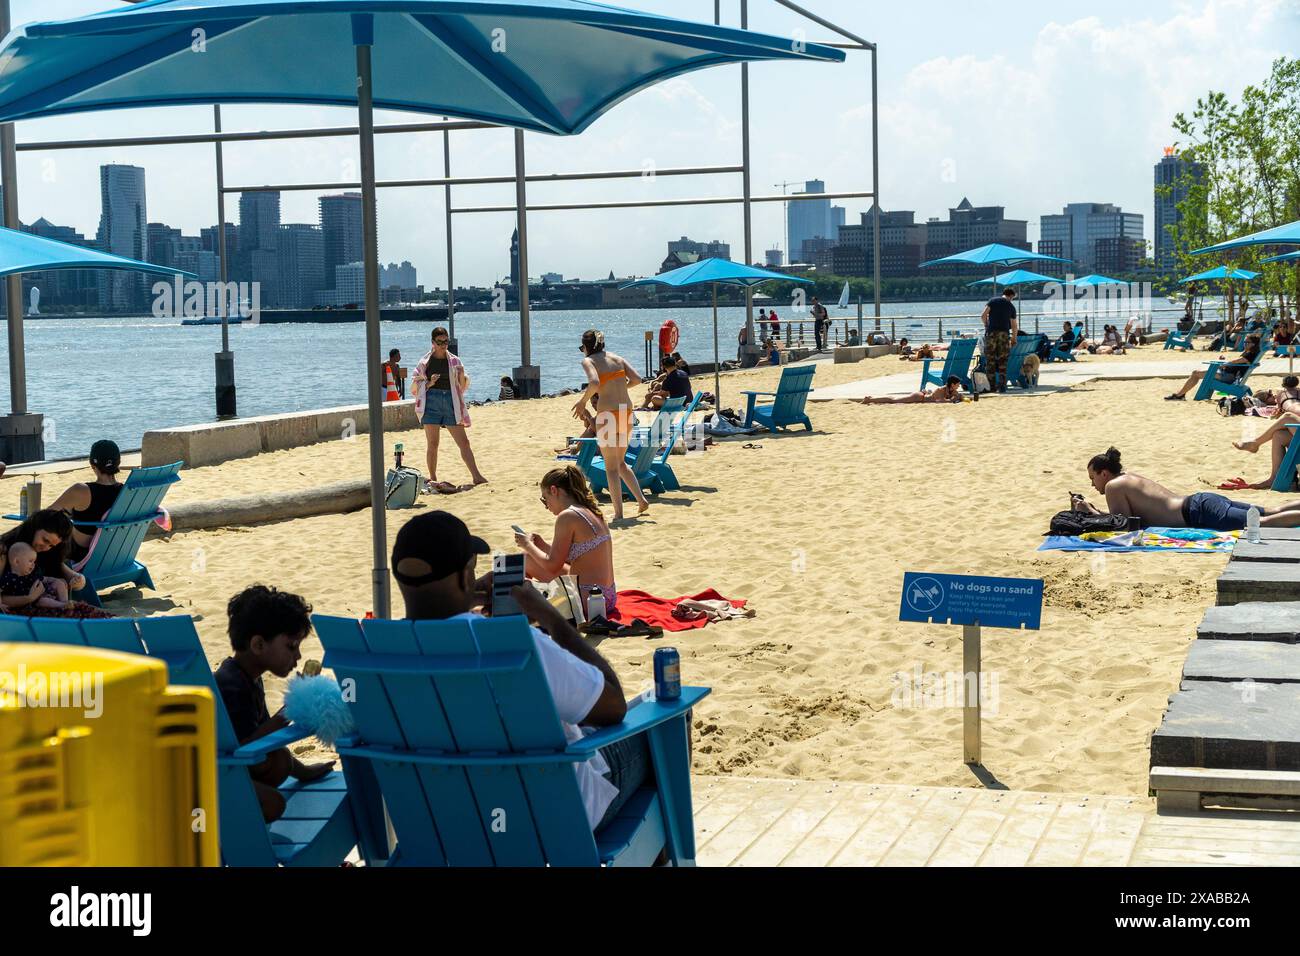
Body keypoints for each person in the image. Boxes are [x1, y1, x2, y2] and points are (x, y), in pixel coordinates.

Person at [392, 510, 660, 834]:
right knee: (666, 713)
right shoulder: (513, 645)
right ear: (465, 577)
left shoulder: (381, 655)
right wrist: (550, 617)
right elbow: (612, 706)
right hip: (555, 815)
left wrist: (462, 598)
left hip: (450, 820)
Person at [215, 585, 336, 822]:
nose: (298, 656)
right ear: (258, 645)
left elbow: (264, 736)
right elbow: (243, 747)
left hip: (231, 769)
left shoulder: (248, 677)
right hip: (217, 774)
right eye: (291, 646)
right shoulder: (231, 686)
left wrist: (304, 771)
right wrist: (289, 711)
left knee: (279, 758)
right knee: (273, 803)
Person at [1073, 446, 1300, 530]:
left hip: (1198, 512)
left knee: (1260, 523)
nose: (1093, 484)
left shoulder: (1113, 486)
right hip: (1202, 502)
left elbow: (1124, 524)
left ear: (1104, 473)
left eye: (1093, 478)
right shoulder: (1128, 477)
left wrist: (1091, 512)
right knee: (1269, 511)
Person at [516, 466, 618, 614]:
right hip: (606, 597)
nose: (547, 506)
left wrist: (527, 544)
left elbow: (552, 565)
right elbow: (578, 558)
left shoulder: (567, 516)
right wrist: (542, 545)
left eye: (545, 499)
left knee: (519, 570)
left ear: (554, 490)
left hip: (586, 600)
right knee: (527, 558)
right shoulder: (590, 510)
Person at [572, 329, 650, 520]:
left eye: (582, 347)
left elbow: (594, 382)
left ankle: (618, 513)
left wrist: (583, 402)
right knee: (621, 463)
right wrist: (620, 387)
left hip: (608, 415)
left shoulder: (589, 361)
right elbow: (637, 379)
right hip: (626, 411)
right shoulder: (616, 358)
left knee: (611, 467)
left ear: (586, 347)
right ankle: (641, 500)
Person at [413, 326, 487, 492]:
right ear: (433, 343)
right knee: (433, 443)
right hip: (431, 402)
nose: (443, 345)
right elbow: (415, 385)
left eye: (445, 341)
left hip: (450, 402)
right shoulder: (425, 361)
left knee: (464, 442)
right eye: (439, 342)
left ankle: (476, 475)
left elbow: (461, 386)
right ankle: (433, 477)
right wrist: (429, 382)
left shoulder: (454, 360)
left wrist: (461, 375)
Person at [0, 510, 111, 619]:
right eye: (45, 540)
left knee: (63, 585)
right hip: (18, 605)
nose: (45, 547)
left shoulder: (45, 553)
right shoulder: (5, 551)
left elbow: (60, 568)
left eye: (51, 546)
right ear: (34, 528)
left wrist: (79, 579)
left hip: (41, 599)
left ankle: (67, 609)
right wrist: (30, 598)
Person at [48, 439, 125, 564]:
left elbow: (48, 513)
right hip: (114, 552)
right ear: (118, 463)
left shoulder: (81, 490)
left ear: (93, 465)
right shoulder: (126, 492)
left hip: (81, 553)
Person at [1231, 376, 1300, 488]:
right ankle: (1274, 478)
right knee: (1279, 435)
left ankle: (1255, 443)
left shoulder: (1282, 394)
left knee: (1287, 417)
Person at [1165, 334, 1261, 400]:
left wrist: (1224, 364)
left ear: (1253, 344)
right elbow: (1238, 363)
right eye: (1244, 342)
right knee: (1196, 373)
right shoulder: (1251, 352)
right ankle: (1180, 394)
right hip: (1229, 374)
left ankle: (1179, 395)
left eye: (1247, 342)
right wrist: (1225, 363)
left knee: (1195, 373)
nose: (1245, 344)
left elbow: (1238, 361)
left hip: (1228, 377)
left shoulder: (1250, 354)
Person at [0, 541, 69, 610]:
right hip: (36, 601)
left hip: (45, 592)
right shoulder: (8, 578)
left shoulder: (31, 574)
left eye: (34, 562)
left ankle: (66, 603)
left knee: (59, 583)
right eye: (30, 561)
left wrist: (55, 580)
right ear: (17, 561)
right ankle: (62, 605)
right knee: (43, 601)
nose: (33, 564)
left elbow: (44, 579)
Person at [980, 288, 1018, 392]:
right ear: (1010, 296)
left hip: (991, 334)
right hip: (1004, 335)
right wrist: (1014, 338)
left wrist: (986, 325)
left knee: (990, 361)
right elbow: (1014, 325)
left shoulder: (992, 301)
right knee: (1003, 361)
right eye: (1013, 298)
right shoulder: (1011, 306)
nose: (1012, 300)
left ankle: (991, 386)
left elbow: (983, 315)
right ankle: (1002, 385)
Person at [858, 375, 963, 405]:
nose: (958, 387)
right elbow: (939, 401)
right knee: (894, 400)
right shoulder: (941, 390)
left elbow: (958, 396)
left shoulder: (952, 391)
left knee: (895, 400)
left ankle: (871, 399)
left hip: (921, 398)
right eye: (957, 385)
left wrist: (958, 397)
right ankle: (870, 399)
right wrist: (952, 399)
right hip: (919, 397)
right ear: (952, 384)